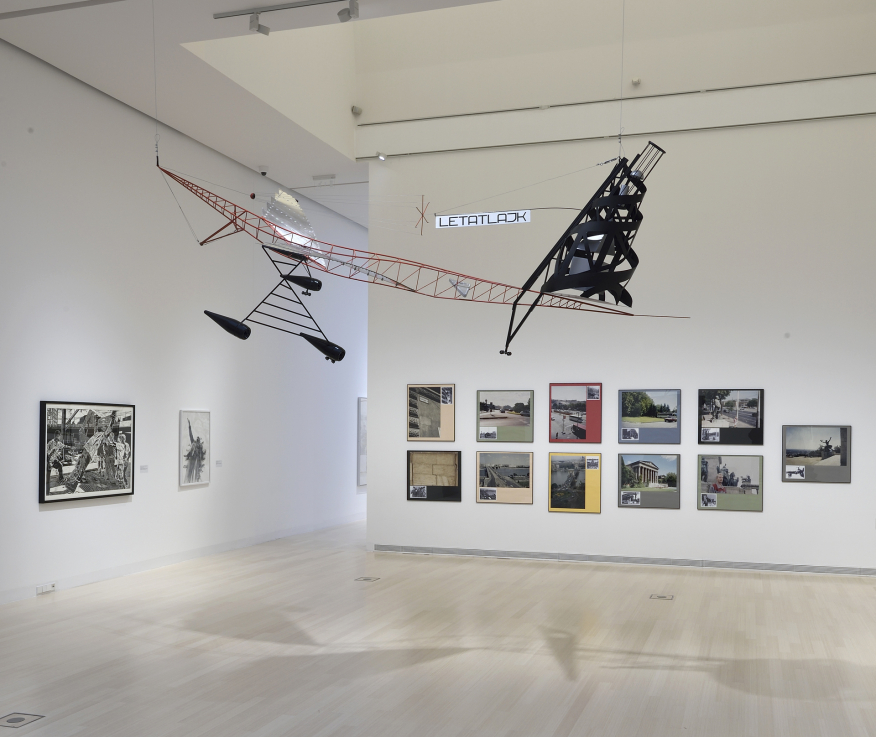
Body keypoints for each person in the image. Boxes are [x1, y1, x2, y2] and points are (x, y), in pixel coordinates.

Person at [184, 418, 206, 484]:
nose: (197, 439)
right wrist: (189, 426)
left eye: (198, 439)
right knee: (191, 474)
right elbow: (190, 435)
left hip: (196, 463)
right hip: (192, 462)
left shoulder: (200, 447)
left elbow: (201, 456)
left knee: (195, 475)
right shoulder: (194, 443)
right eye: (197, 439)